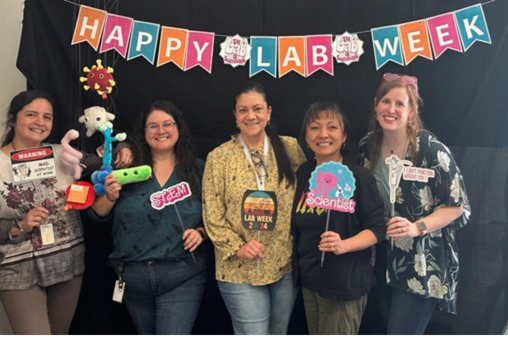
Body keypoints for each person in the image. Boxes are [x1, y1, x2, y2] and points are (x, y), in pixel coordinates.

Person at [359, 73, 471, 338]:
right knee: (390, 328)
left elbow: (458, 206)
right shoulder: (368, 146)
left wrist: (416, 227)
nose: (391, 109)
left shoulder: (432, 150)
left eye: (400, 104)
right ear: (376, 105)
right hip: (383, 256)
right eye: (386, 101)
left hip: (421, 260)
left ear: (411, 112)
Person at [90, 100, 207, 338]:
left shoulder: (198, 169)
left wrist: (202, 231)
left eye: (167, 124)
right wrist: (110, 196)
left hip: (182, 273)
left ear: (179, 128)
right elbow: (97, 214)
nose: (161, 131)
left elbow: (219, 215)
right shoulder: (127, 167)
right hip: (133, 277)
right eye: (152, 126)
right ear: (143, 132)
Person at [203, 82, 307, 338]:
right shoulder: (219, 157)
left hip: (283, 263)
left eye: (257, 108)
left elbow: (308, 194)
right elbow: (212, 212)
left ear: (269, 112)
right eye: (243, 110)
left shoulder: (290, 147)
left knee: (278, 333)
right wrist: (237, 246)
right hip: (238, 266)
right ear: (235, 115)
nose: (251, 116)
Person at [292, 102, 386, 338]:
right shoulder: (303, 173)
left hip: (344, 284)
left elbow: (377, 228)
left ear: (344, 136)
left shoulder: (359, 177)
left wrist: (344, 244)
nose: (323, 134)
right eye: (315, 127)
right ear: (306, 136)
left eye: (332, 127)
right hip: (310, 281)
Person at [0, 91, 84, 338]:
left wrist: (122, 148)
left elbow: (105, 161)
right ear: (13, 119)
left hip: (67, 262)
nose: (40, 122)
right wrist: (19, 225)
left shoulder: (64, 154)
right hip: (18, 268)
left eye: (47, 117)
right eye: (32, 114)